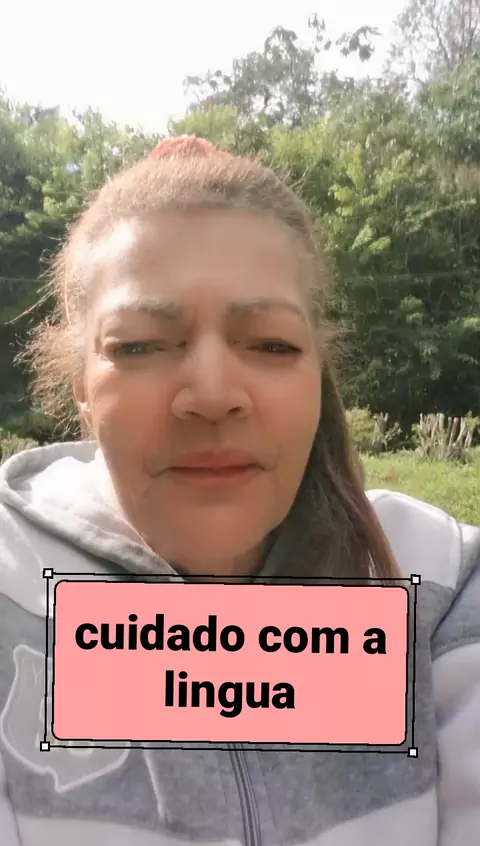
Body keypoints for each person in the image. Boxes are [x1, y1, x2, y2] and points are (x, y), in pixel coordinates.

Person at [0, 135, 479, 846]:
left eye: (272, 344)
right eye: (139, 345)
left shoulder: (442, 583)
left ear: (318, 371)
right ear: (80, 386)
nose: (213, 394)